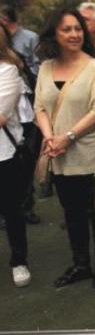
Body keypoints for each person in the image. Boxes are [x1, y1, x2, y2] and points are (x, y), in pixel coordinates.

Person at [34, 8, 95, 288]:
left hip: (89, 153)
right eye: (67, 29)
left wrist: (68, 136)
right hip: (58, 154)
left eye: (78, 28)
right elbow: (40, 106)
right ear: (54, 33)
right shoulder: (45, 67)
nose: (74, 34)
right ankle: (81, 265)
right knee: (71, 213)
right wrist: (50, 137)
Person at [0, 24, 31, 287]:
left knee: (11, 210)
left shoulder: (8, 71)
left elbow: (0, 116)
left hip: (4, 154)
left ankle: (19, 260)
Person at [0, 5, 40, 76]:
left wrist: (24, 74)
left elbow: (38, 65)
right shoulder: (2, 39)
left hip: (27, 81)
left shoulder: (31, 38)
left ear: (4, 20)